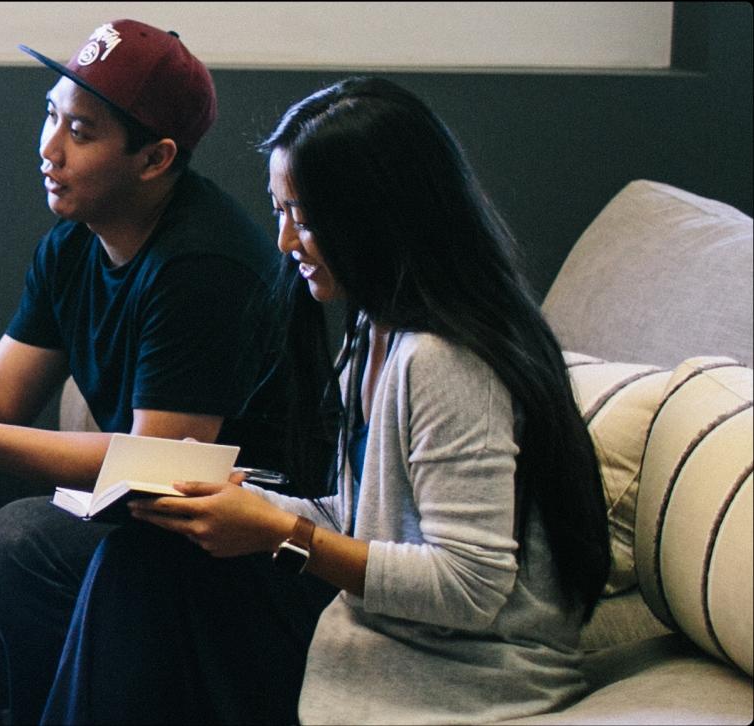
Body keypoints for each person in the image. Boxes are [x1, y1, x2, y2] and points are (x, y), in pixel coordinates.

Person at [38, 76, 611, 723]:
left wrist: (282, 533)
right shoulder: (374, 331)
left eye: (304, 219)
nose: (284, 242)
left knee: (147, 573)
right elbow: (373, 521)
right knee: (149, 556)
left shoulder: (444, 360)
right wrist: (251, 500)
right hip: (386, 630)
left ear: (377, 218)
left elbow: (469, 587)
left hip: (463, 669)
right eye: (280, 212)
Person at [0, 20, 298, 716]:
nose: (50, 148)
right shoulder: (74, 241)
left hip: (230, 546)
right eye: (51, 115)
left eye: (82, 131)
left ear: (155, 158)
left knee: (27, 539)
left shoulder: (204, 266)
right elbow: (1, 391)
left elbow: (161, 463)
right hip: (142, 509)